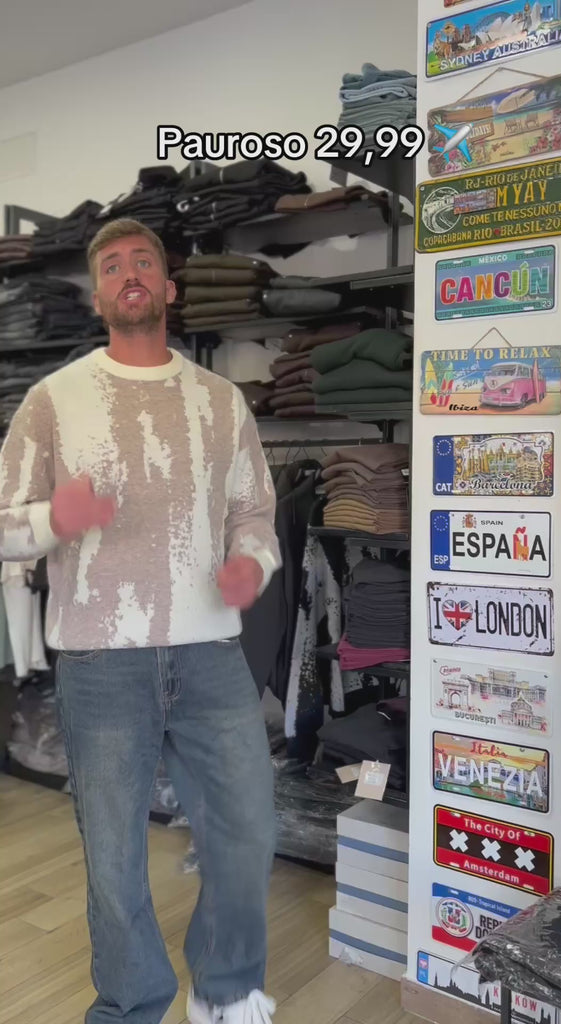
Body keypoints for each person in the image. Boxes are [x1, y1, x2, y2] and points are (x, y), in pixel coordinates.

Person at [0, 218, 282, 1024]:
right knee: (114, 856)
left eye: (143, 262)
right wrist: (54, 518)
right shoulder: (52, 402)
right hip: (101, 663)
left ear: (167, 286)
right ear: (97, 298)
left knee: (245, 830)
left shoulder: (221, 401)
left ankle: (227, 992)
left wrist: (252, 563)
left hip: (210, 653)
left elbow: (256, 513)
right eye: (113, 265)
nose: (129, 273)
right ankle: (130, 1006)